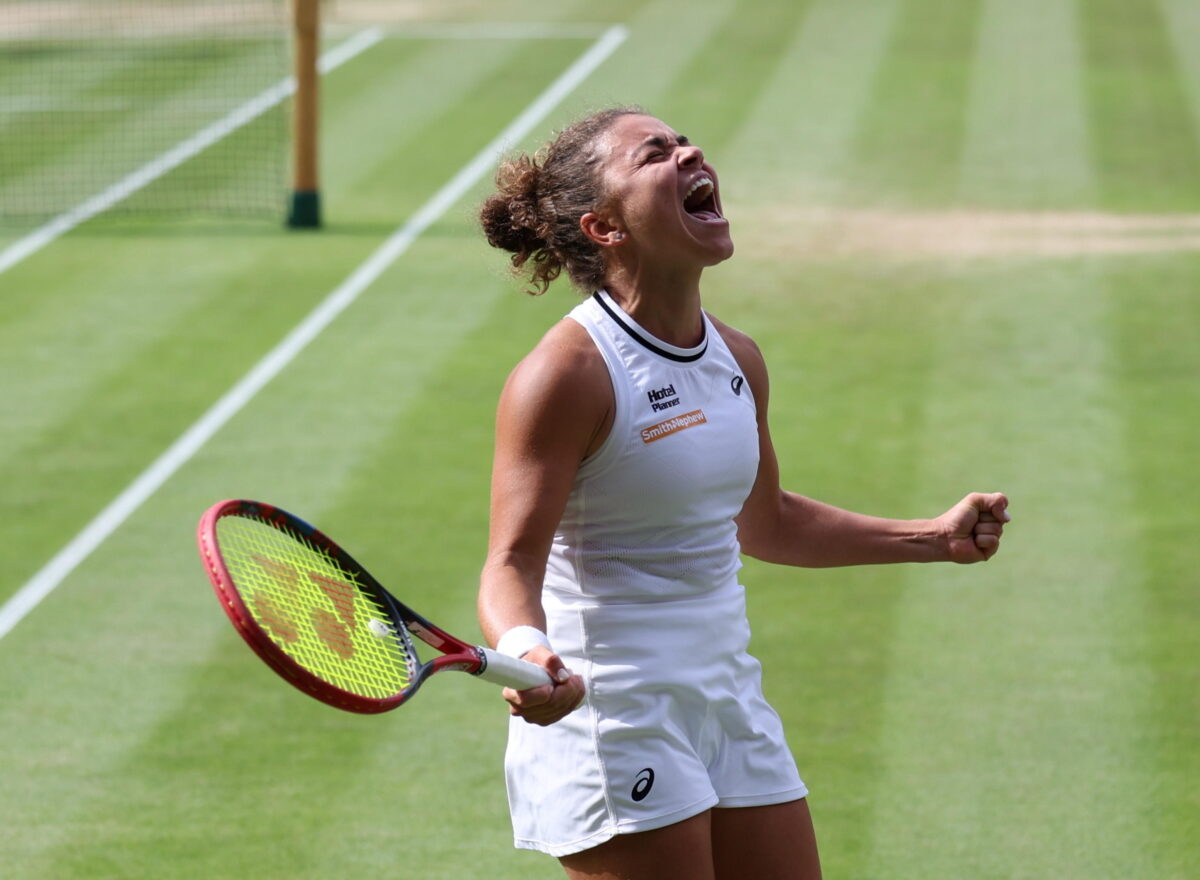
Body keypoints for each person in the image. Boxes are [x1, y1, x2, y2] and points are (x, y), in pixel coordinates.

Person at [475, 107, 1009, 880]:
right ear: (604, 228)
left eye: (685, 140)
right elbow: (509, 563)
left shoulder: (736, 358)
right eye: (654, 153)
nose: (689, 150)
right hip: (613, 714)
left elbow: (766, 522)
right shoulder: (567, 375)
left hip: (726, 696)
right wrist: (527, 651)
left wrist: (932, 537)